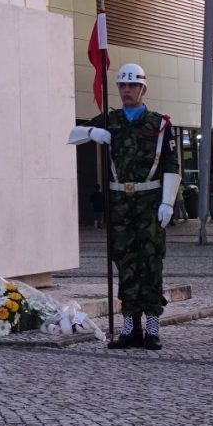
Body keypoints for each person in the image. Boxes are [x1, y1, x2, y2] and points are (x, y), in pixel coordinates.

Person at [69, 63, 180, 350]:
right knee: (125, 263)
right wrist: (91, 132)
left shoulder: (160, 124)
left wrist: (167, 202)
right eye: (123, 85)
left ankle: (152, 326)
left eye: (133, 85)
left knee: (151, 263)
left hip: (149, 201)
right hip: (119, 203)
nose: (127, 90)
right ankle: (130, 325)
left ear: (143, 89)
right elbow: (70, 134)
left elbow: (171, 164)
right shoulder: (110, 120)